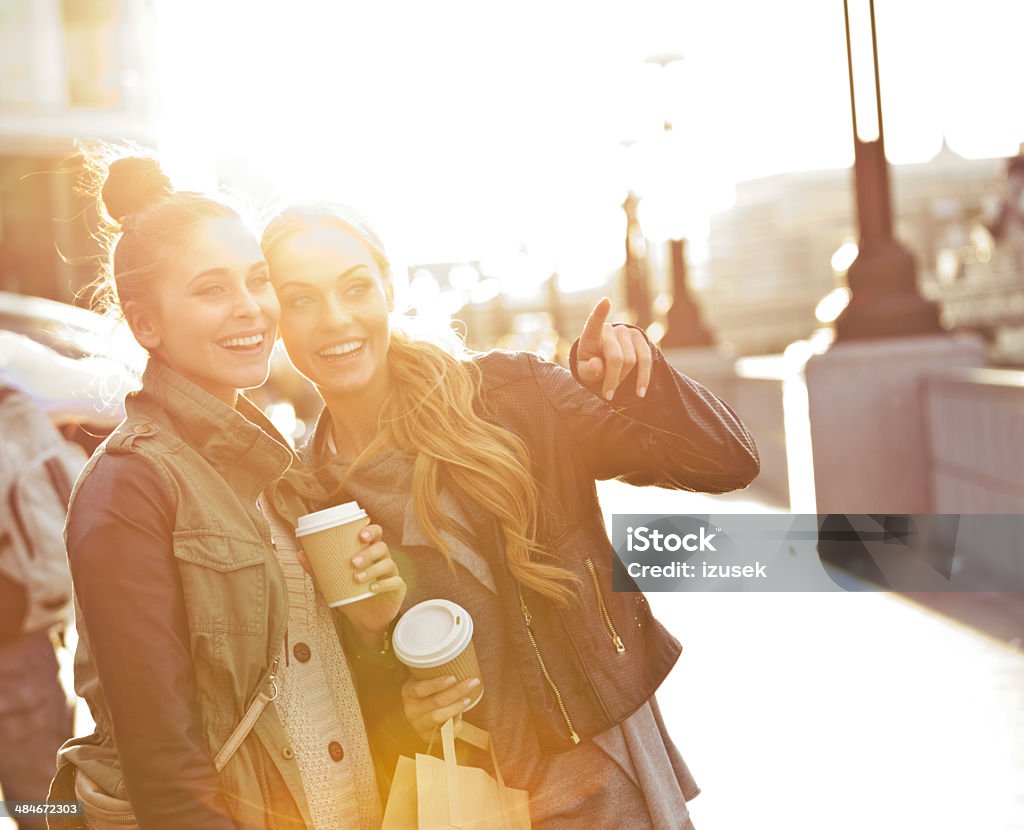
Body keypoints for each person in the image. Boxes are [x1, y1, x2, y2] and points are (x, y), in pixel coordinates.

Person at [261, 203, 761, 829]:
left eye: (355, 287)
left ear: (389, 289)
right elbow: (352, 696)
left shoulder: (512, 398)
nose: (335, 319)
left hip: (598, 789)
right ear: (275, 319)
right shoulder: (306, 496)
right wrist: (405, 701)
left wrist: (643, 380)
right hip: (466, 804)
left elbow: (726, 462)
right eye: (300, 300)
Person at [48, 157, 406, 830]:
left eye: (258, 280)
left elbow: (312, 678)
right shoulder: (128, 487)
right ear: (146, 324)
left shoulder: (282, 469)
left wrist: (374, 626)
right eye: (212, 289)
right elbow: (165, 768)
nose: (251, 307)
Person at [0, 377, 82, 830]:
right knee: (46, 803)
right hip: (27, 640)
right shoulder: (21, 411)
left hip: (12, 648)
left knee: (43, 805)